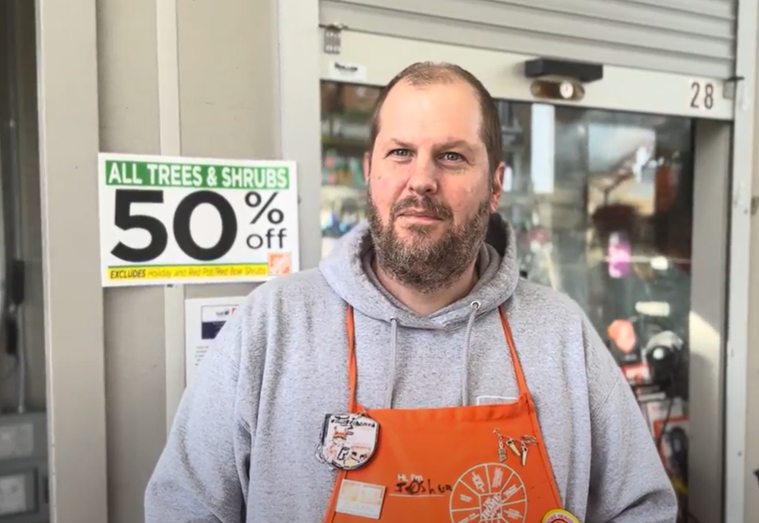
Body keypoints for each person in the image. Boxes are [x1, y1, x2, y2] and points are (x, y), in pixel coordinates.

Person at [145, 62, 677, 523]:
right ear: (369, 173)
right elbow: (185, 507)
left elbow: (643, 508)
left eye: (451, 157)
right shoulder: (273, 324)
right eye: (401, 152)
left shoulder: (562, 335)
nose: (421, 179)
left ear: (495, 185)